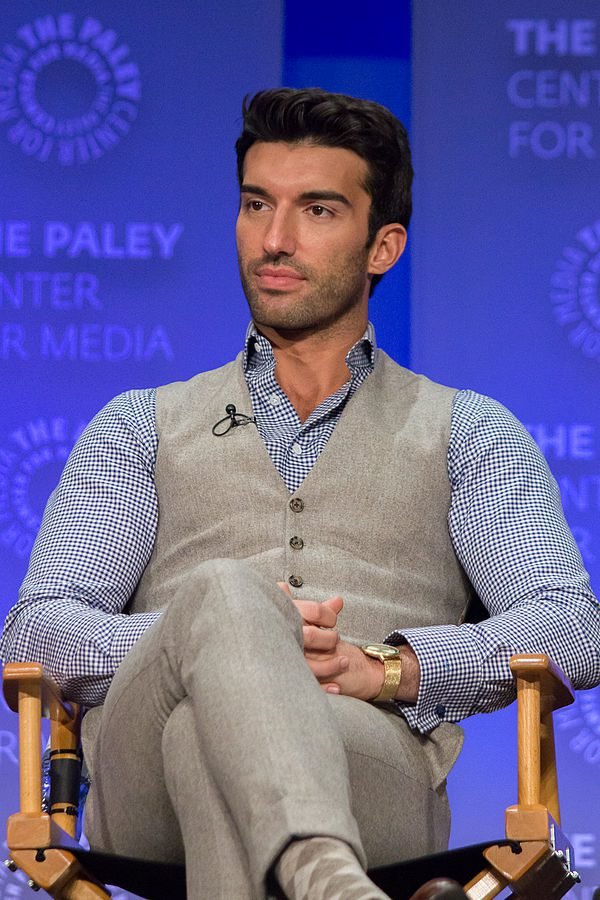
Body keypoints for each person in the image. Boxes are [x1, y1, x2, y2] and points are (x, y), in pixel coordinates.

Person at [1, 87, 599, 900]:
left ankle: (321, 877)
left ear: (382, 246)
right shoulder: (139, 425)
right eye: (256, 205)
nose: (273, 240)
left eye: (316, 210)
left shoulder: (468, 431)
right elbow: (35, 630)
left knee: (200, 742)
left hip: (367, 764)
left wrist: (387, 669)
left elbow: (572, 627)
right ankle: (329, 880)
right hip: (143, 793)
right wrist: (219, 633)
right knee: (225, 598)